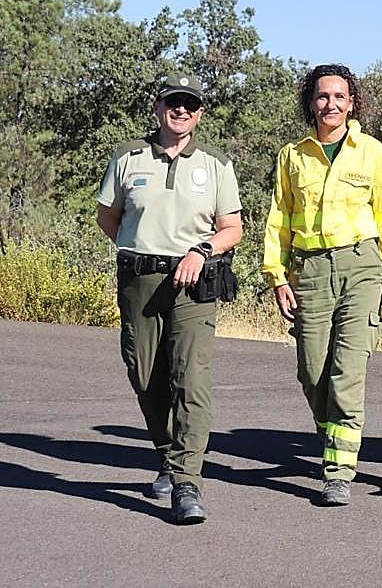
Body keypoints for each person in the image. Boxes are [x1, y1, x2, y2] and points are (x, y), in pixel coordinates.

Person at [96, 73, 244, 525]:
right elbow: (108, 217)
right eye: (173, 102)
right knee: (144, 374)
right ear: (158, 107)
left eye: (190, 104)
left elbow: (232, 228)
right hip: (139, 279)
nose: (181, 110)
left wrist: (202, 251)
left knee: (190, 378)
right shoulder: (128, 157)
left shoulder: (216, 164)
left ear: (199, 114)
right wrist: (141, 251)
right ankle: (168, 452)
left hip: (193, 281)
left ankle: (186, 481)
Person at [262, 63, 382, 507]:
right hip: (309, 271)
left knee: (347, 372)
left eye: (339, 96)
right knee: (312, 372)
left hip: (361, 266)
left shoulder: (372, 152)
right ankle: (333, 439)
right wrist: (277, 275)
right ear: (311, 102)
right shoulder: (292, 155)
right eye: (323, 96)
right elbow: (278, 219)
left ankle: (338, 472)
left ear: (352, 102)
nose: (331, 104)